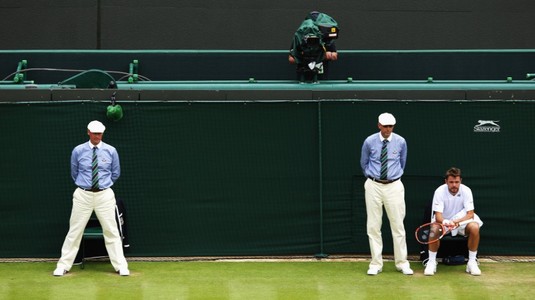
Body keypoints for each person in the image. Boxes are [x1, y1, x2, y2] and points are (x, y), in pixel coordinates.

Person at [53, 120, 129, 276]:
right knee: (74, 231)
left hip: (105, 195)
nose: (97, 136)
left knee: (111, 231)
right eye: (94, 133)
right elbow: (74, 172)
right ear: (88, 132)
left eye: (100, 133)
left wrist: (103, 186)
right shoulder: (78, 151)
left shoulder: (111, 151)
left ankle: (121, 266)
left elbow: (115, 173)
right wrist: (86, 186)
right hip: (83, 195)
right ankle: (63, 265)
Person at [360, 112, 413, 275]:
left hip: (394, 185)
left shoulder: (401, 141)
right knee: (373, 226)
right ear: (379, 125)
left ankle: (402, 262)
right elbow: (364, 163)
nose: (388, 129)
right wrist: (373, 177)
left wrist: (393, 177)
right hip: (373, 185)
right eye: (385, 126)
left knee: (398, 225)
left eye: (390, 126)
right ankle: (376, 263)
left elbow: (402, 162)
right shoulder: (369, 141)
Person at [424, 167, 483, 276]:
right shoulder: (439, 191)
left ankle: (472, 262)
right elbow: (438, 216)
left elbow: (470, 213)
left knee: (474, 227)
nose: (454, 185)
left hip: (461, 223)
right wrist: (446, 222)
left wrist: (457, 222)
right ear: (446, 181)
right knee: (434, 228)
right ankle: (432, 262)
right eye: (451, 182)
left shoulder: (466, 190)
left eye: (456, 182)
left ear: (461, 181)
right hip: (444, 222)